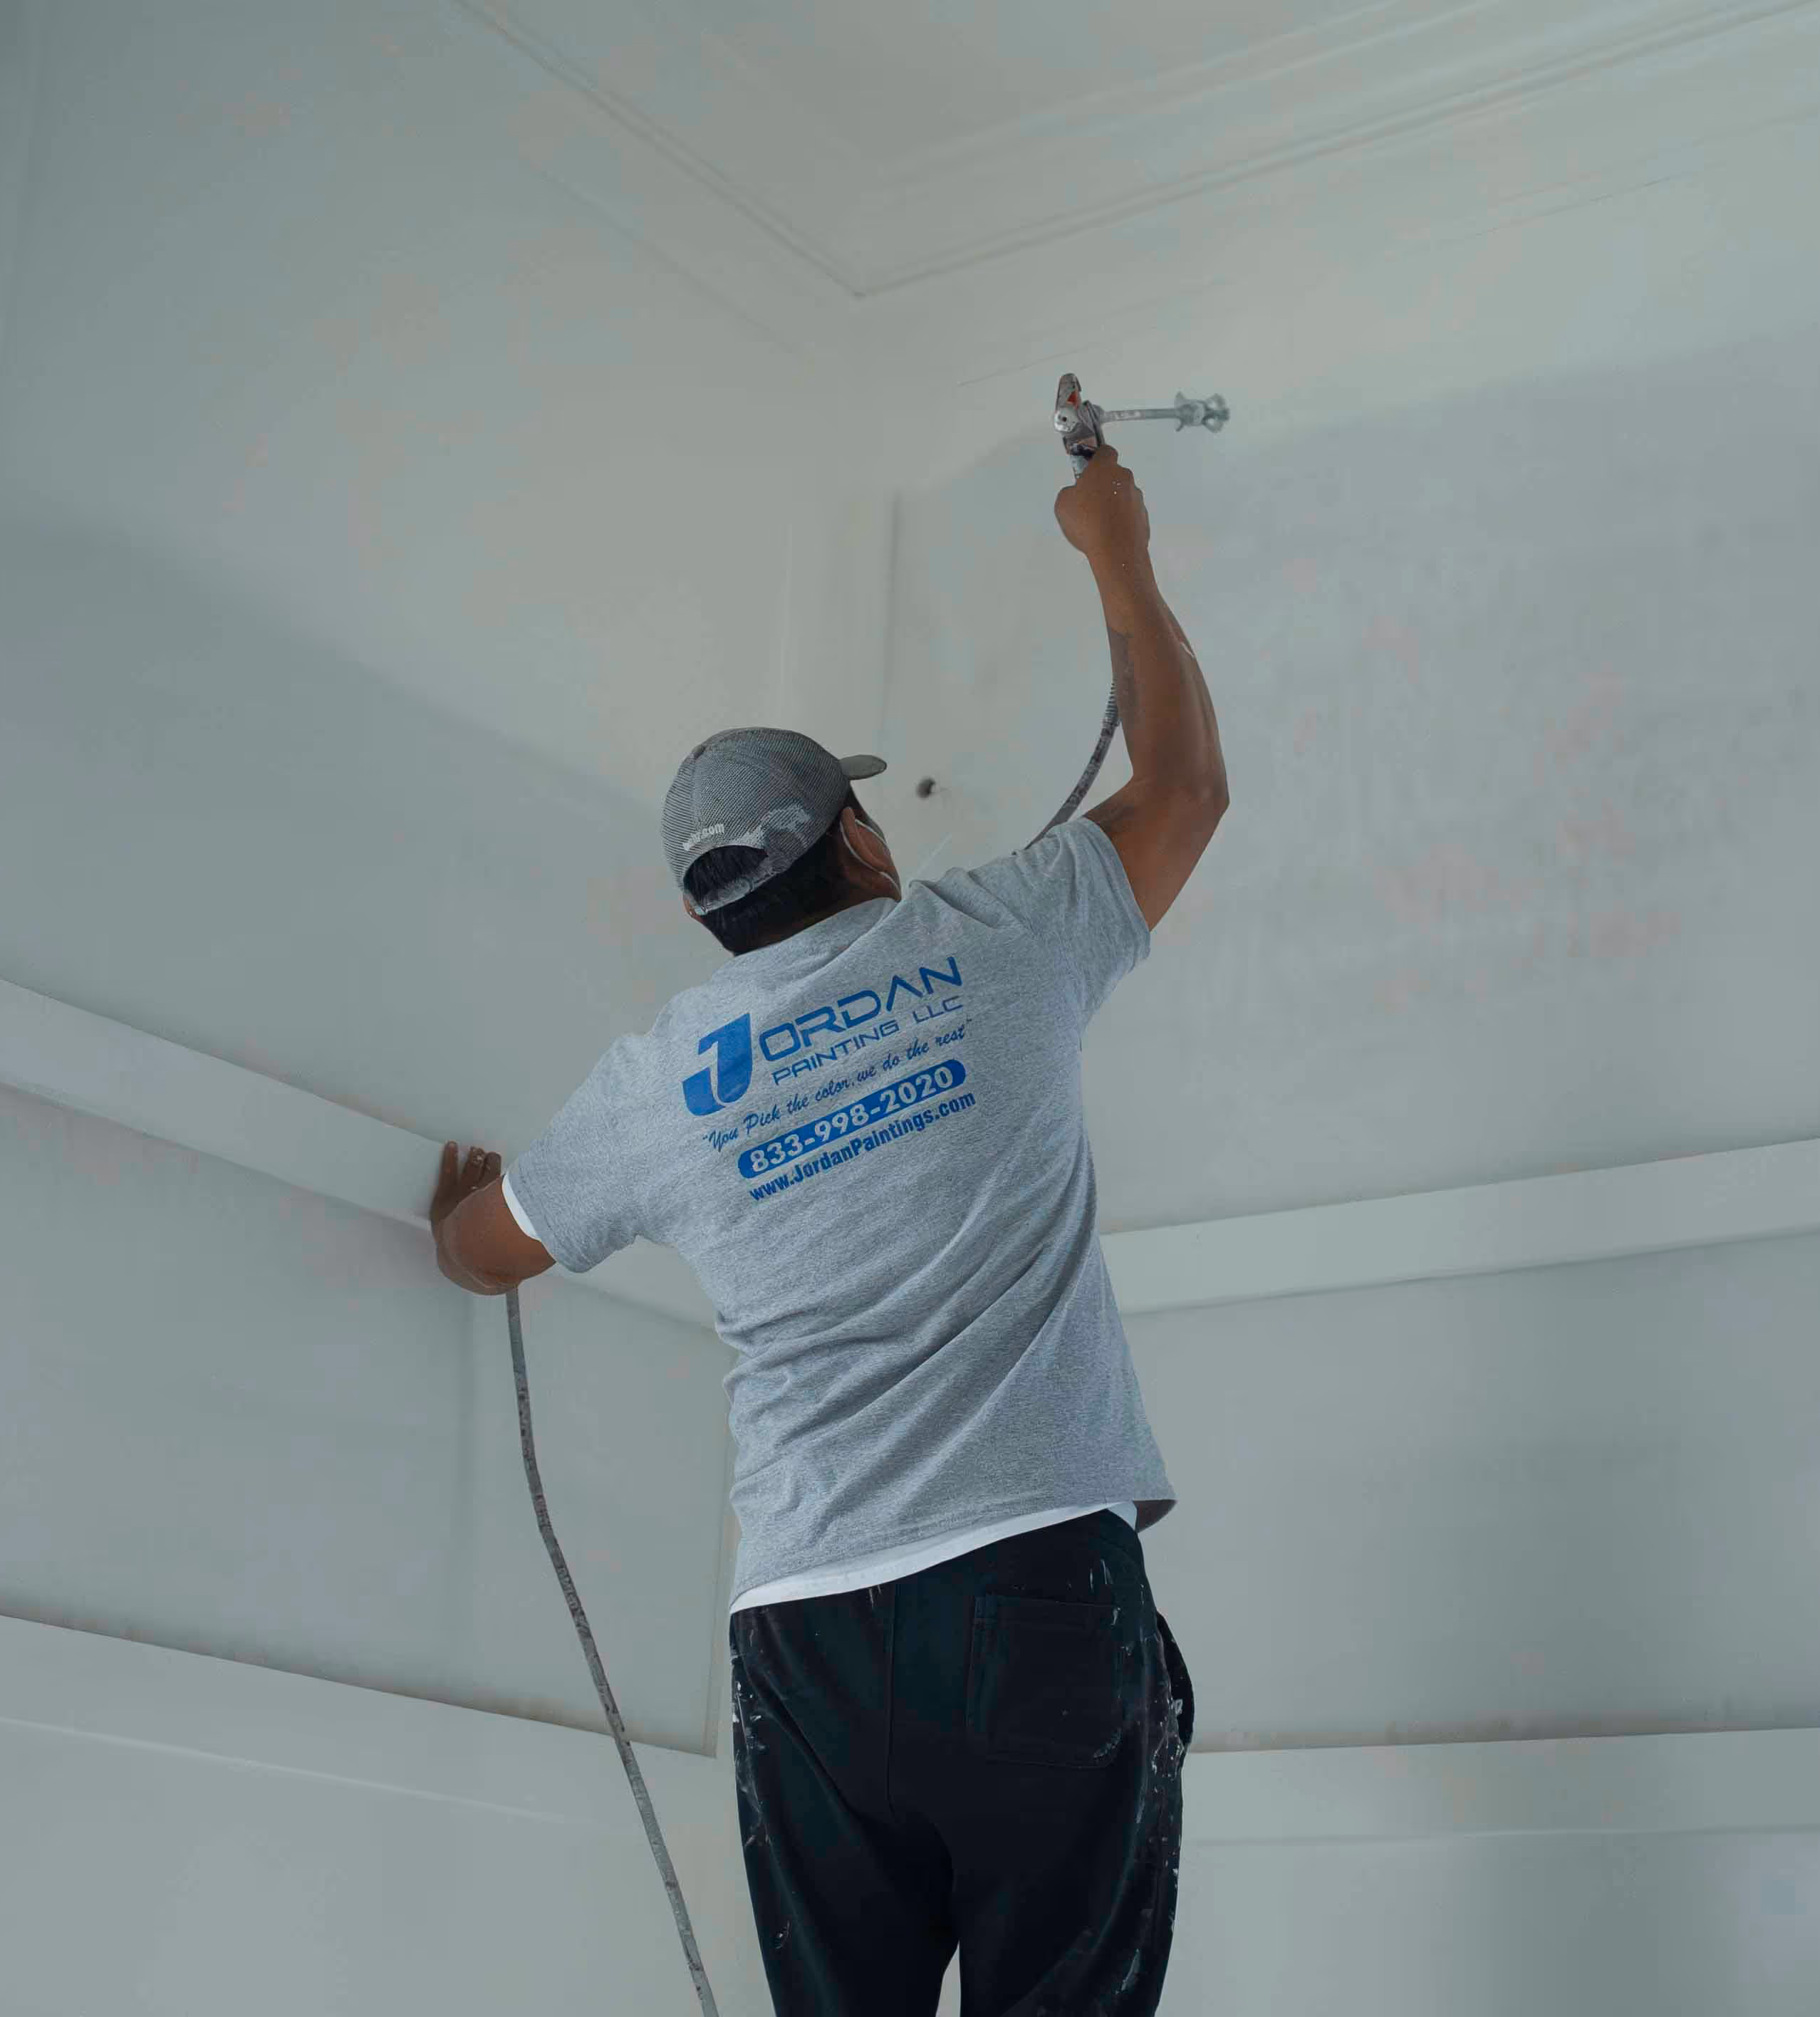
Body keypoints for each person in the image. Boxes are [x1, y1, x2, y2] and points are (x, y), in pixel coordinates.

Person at [424, 443, 1227, 2014]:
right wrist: (1114, 548)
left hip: (805, 1638)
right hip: (1032, 1586)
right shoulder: (999, 939)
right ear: (855, 845)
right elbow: (1185, 788)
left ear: (710, 912)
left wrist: (463, 1207)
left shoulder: (662, 1087)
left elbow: (484, 1247)